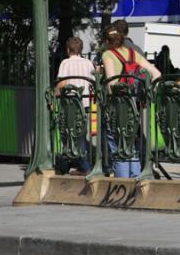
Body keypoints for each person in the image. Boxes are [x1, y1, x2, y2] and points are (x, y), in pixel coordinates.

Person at [102, 26, 161, 178]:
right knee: (131, 147)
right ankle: (135, 185)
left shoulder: (108, 54)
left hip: (116, 108)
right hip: (133, 107)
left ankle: (123, 186)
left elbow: (111, 84)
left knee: (119, 149)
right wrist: (147, 94)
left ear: (107, 40)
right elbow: (157, 74)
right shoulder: (133, 54)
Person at [55, 36, 95, 174]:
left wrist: (54, 97)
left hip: (70, 105)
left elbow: (62, 83)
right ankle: (78, 164)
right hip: (84, 104)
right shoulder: (89, 63)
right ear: (81, 49)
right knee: (81, 133)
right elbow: (92, 84)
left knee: (69, 134)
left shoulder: (65, 63)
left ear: (68, 49)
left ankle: (83, 166)